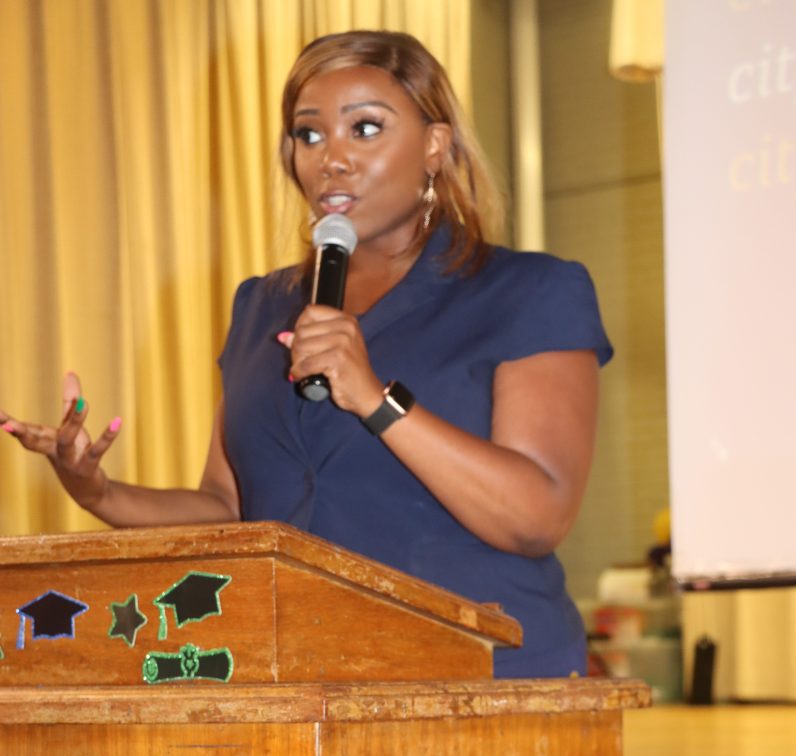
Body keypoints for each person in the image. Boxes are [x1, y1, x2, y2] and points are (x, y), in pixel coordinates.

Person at [0, 30, 612, 679]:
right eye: (310, 135)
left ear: (435, 145)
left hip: (484, 681)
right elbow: (229, 510)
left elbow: (537, 514)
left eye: (366, 129)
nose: (332, 160)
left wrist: (376, 401)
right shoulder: (264, 306)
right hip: (298, 682)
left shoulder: (528, 291)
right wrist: (96, 489)